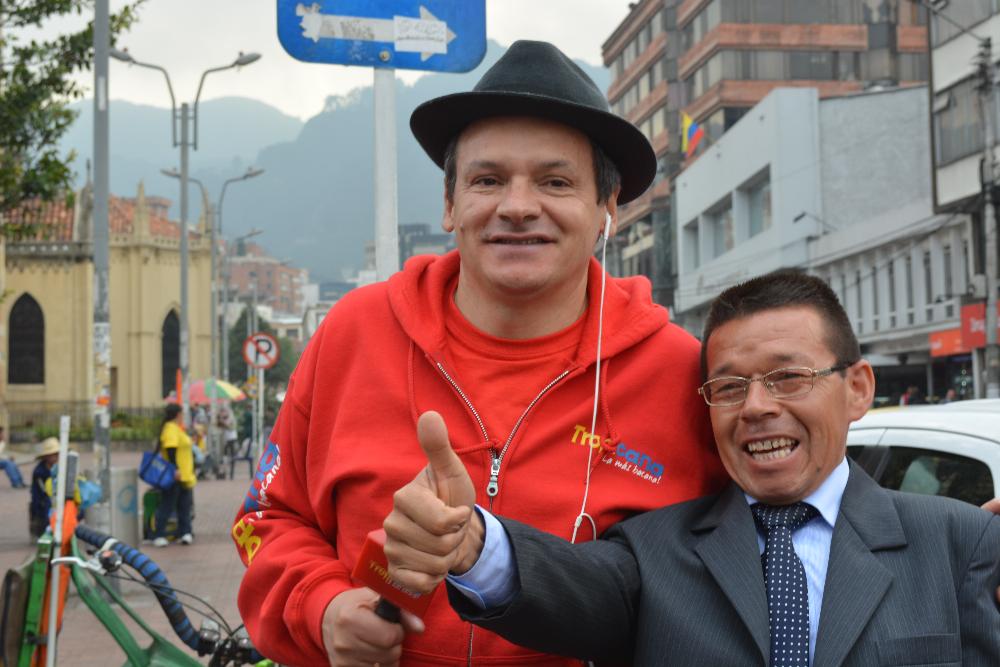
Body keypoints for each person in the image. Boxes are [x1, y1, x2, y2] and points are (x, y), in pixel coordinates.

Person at [231, 40, 726, 667]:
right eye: (487, 180)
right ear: (449, 204)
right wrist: (321, 608)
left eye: (555, 182)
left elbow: (720, 570)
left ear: (608, 208)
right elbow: (264, 517)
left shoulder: (681, 374)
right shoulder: (353, 334)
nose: (517, 207)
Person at [384, 271, 1000, 666]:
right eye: (728, 387)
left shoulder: (960, 542)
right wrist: (472, 544)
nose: (756, 407)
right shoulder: (652, 551)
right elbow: (572, 589)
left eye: (788, 377)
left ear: (858, 388)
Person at [152, 403, 196, 547]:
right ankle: (159, 534)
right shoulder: (170, 428)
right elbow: (171, 450)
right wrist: (175, 469)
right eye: (182, 414)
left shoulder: (176, 428)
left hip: (184, 476)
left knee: (184, 505)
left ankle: (185, 532)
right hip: (175, 475)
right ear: (178, 414)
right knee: (168, 504)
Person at [29, 437, 60, 538]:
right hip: (42, 502)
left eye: (57, 454)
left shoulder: (59, 467)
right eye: (54, 454)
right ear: (46, 456)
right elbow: (43, 493)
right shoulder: (39, 472)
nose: (56, 457)